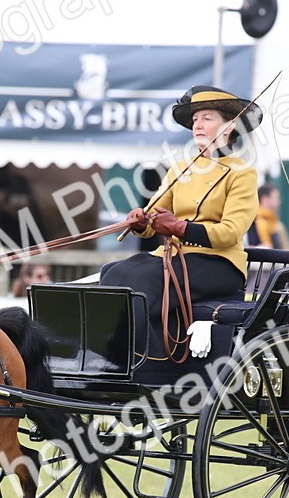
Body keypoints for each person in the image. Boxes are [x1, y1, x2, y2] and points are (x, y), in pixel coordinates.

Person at [100, 85, 260, 363]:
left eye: (207, 118)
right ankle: (113, 356)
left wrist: (178, 228)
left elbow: (230, 232)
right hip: (177, 259)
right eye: (195, 119)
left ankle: (146, 362)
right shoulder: (181, 168)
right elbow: (154, 215)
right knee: (111, 272)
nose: (197, 124)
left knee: (140, 280)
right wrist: (140, 221)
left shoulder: (242, 173)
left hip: (219, 263)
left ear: (229, 125)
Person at [246, 182, 289, 250]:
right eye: (276, 197)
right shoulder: (250, 222)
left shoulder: (276, 225)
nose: (279, 201)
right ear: (265, 199)